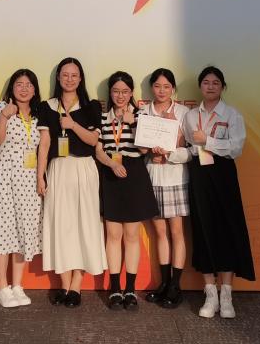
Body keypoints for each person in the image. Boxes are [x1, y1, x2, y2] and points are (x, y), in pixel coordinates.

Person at [181, 66, 255, 319]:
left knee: (226, 231)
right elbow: (190, 147)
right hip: (199, 176)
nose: (210, 86)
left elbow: (236, 148)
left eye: (215, 83)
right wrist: (174, 153)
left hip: (224, 176)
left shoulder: (232, 114)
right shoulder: (191, 116)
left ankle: (226, 296)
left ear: (223, 86)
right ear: (200, 86)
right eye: (206, 82)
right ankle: (210, 293)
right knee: (203, 231)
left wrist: (208, 141)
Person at [38, 57, 106, 308]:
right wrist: (40, 175)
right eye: (65, 75)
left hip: (84, 169)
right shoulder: (47, 106)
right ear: (58, 77)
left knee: (83, 225)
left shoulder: (91, 106)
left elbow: (92, 140)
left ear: (80, 78)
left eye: (74, 75)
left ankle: (77, 285)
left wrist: (72, 125)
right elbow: (44, 144)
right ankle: (64, 284)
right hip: (58, 170)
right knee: (61, 225)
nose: (69, 79)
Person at [0, 69, 48, 308]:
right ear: (12, 87)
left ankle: (18, 285)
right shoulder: (2, 107)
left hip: (29, 179)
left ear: (35, 89)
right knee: (2, 230)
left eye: (28, 84)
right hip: (5, 176)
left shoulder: (39, 113)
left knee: (25, 230)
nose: (24, 88)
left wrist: (41, 178)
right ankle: (2, 288)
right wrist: (4, 116)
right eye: (19, 84)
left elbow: (43, 146)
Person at [95, 71, 159, 310]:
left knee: (131, 235)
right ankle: (115, 289)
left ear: (131, 93)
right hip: (111, 173)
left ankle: (130, 289)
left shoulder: (141, 115)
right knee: (113, 235)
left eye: (124, 91)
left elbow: (144, 150)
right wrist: (112, 164)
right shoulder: (103, 117)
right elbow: (98, 149)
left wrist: (133, 123)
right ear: (110, 93)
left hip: (134, 175)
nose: (120, 96)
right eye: (116, 91)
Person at [138, 68, 190, 308]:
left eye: (166, 87)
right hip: (153, 178)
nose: (161, 91)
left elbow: (190, 149)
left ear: (173, 89)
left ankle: (175, 286)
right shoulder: (144, 113)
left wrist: (171, 150)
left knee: (177, 232)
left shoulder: (183, 113)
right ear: (152, 88)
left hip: (176, 178)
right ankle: (164, 282)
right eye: (157, 86)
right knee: (159, 233)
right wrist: (150, 150)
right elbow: (140, 148)